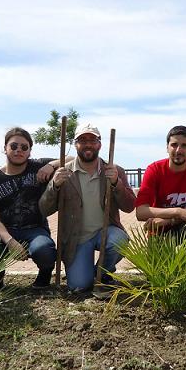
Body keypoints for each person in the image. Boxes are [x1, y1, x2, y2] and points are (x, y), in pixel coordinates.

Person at [39, 124, 136, 293]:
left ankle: (104, 273)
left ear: (99, 144)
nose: (88, 144)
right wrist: (54, 186)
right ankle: (85, 273)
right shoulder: (63, 172)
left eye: (93, 140)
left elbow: (129, 207)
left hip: (105, 232)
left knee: (119, 240)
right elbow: (44, 209)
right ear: (75, 144)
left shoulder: (114, 171)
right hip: (77, 238)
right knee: (79, 286)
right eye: (82, 140)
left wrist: (116, 184)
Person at [0, 127, 57, 290]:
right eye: (13, 146)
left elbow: (70, 158)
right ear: (5, 148)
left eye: (24, 147)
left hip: (35, 228)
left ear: (29, 151)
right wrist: (10, 241)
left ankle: (44, 275)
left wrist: (51, 166)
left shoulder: (37, 166)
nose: (18, 150)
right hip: (4, 229)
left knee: (45, 251)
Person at [134, 126, 186, 286]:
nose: (178, 150)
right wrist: (177, 212)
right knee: (159, 281)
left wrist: (168, 219)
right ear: (167, 147)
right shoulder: (154, 169)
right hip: (159, 231)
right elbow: (141, 212)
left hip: (184, 226)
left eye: (184, 145)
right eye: (174, 145)